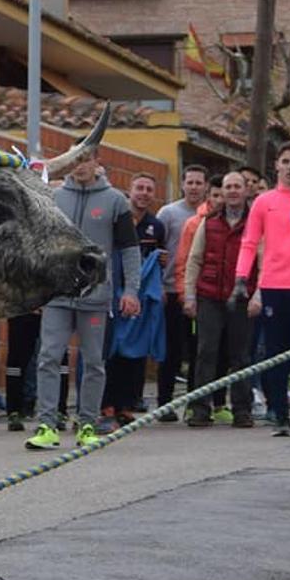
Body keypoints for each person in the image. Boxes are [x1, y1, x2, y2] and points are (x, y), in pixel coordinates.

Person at [26, 155, 141, 450]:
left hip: (96, 296)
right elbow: (40, 243)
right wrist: (38, 288)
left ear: (96, 163)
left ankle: (87, 424)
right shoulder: (54, 197)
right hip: (58, 295)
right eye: (76, 160)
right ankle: (47, 425)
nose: (80, 166)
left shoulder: (115, 201)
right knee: (49, 357)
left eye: (86, 160)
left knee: (92, 362)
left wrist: (132, 290)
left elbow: (129, 249)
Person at [235, 141, 290, 439]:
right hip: (273, 287)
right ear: (278, 166)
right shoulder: (264, 201)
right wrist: (241, 278)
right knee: (275, 355)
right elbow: (249, 241)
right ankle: (280, 415)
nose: (289, 166)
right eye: (285, 161)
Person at [183, 171, 258, 428]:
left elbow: (263, 261)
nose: (234, 191)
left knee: (241, 356)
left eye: (238, 186)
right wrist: (190, 295)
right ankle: (200, 409)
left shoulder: (255, 223)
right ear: (222, 192)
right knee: (206, 353)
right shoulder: (209, 222)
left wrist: (258, 295)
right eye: (229, 187)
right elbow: (194, 259)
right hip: (209, 297)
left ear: (246, 190)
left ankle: (242, 409)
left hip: (242, 299)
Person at [103, 173, 167, 426]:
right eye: (139, 187)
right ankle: (106, 404)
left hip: (141, 299)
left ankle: (127, 404)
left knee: (136, 353)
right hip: (114, 294)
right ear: (129, 191)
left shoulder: (156, 225)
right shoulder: (116, 219)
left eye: (149, 189)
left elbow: (159, 258)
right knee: (112, 351)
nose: (143, 193)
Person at [156, 166, 208, 416]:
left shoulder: (209, 214)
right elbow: (155, 251)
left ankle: (193, 404)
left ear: (206, 186)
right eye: (190, 182)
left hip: (200, 293)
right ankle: (165, 404)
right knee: (171, 351)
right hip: (170, 291)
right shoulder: (168, 213)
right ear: (183, 184)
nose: (195, 187)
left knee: (198, 350)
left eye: (199, 183)